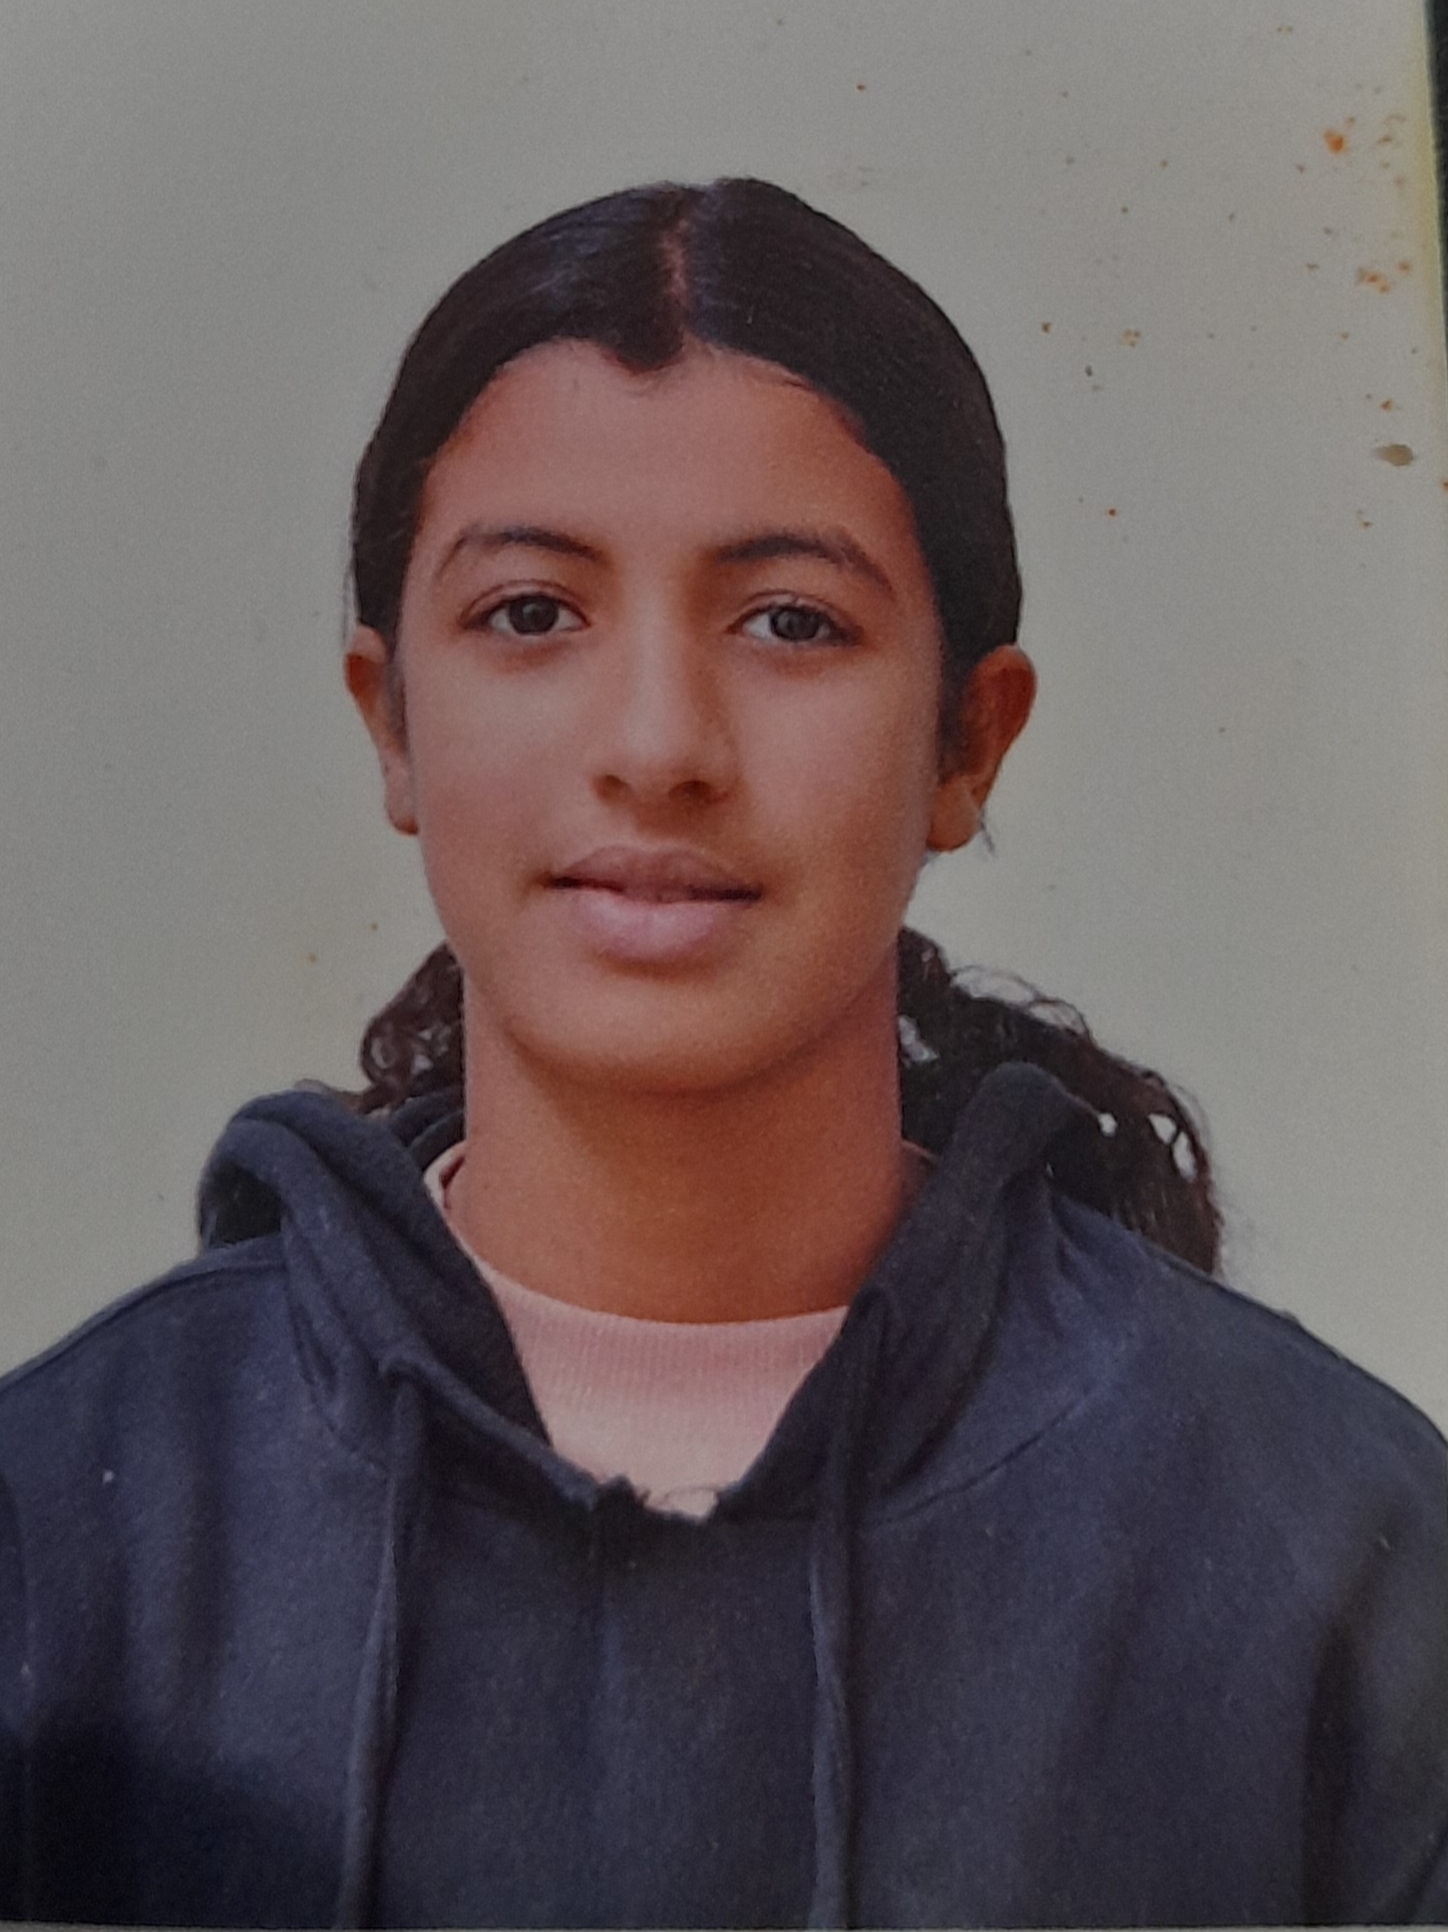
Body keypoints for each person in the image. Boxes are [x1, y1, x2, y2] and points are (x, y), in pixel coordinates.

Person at [0, 178, 1442, 1930]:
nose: (660, 744)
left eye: (790, 622)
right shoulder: (64, 1527)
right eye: (532, 612)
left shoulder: (1341, 1549)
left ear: (968, 744)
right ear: (392, 724)